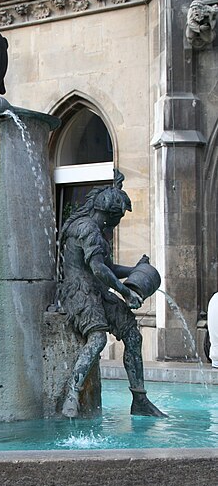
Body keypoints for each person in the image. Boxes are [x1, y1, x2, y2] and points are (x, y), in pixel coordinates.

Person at [58, 171, 166, 418]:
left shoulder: (97, 230)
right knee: (98, 339)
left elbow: (108, 267)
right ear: (111, 215)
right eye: (118, 217)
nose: (118, 223)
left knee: (133, 335)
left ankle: (139, 399)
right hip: (79, 292)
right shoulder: (85, 229)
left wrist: (136, 269)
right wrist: (125, 290)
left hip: (97, 291)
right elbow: (98, 268)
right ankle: (72, 394)